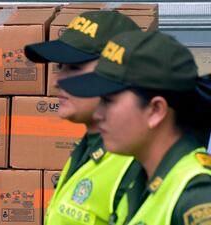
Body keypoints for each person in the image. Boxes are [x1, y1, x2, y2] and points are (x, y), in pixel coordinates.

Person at [58, 30, 211, 225]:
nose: (98, 114)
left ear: (155, 110)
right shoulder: (141, 183)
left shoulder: (196, 197)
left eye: (108, 101)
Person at [24, 11, 142, 225]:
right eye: (59, 67)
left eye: (75, 68)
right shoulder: (89, 148)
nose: (56, 82)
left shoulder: (138, 167)